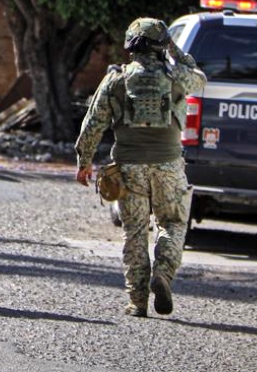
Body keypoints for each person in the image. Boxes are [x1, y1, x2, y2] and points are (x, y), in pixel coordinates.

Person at [74, 17, 207, 317]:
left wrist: (84, 162)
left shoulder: (116, 80)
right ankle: (163, 273)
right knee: (172, 223)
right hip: (169, 164)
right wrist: (176, 50)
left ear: (130, 46)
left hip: (128, 165)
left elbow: (93, 123)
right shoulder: (177, 77)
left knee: (134, 232)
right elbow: (200, 78)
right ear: (162, 46)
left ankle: (137, 301)